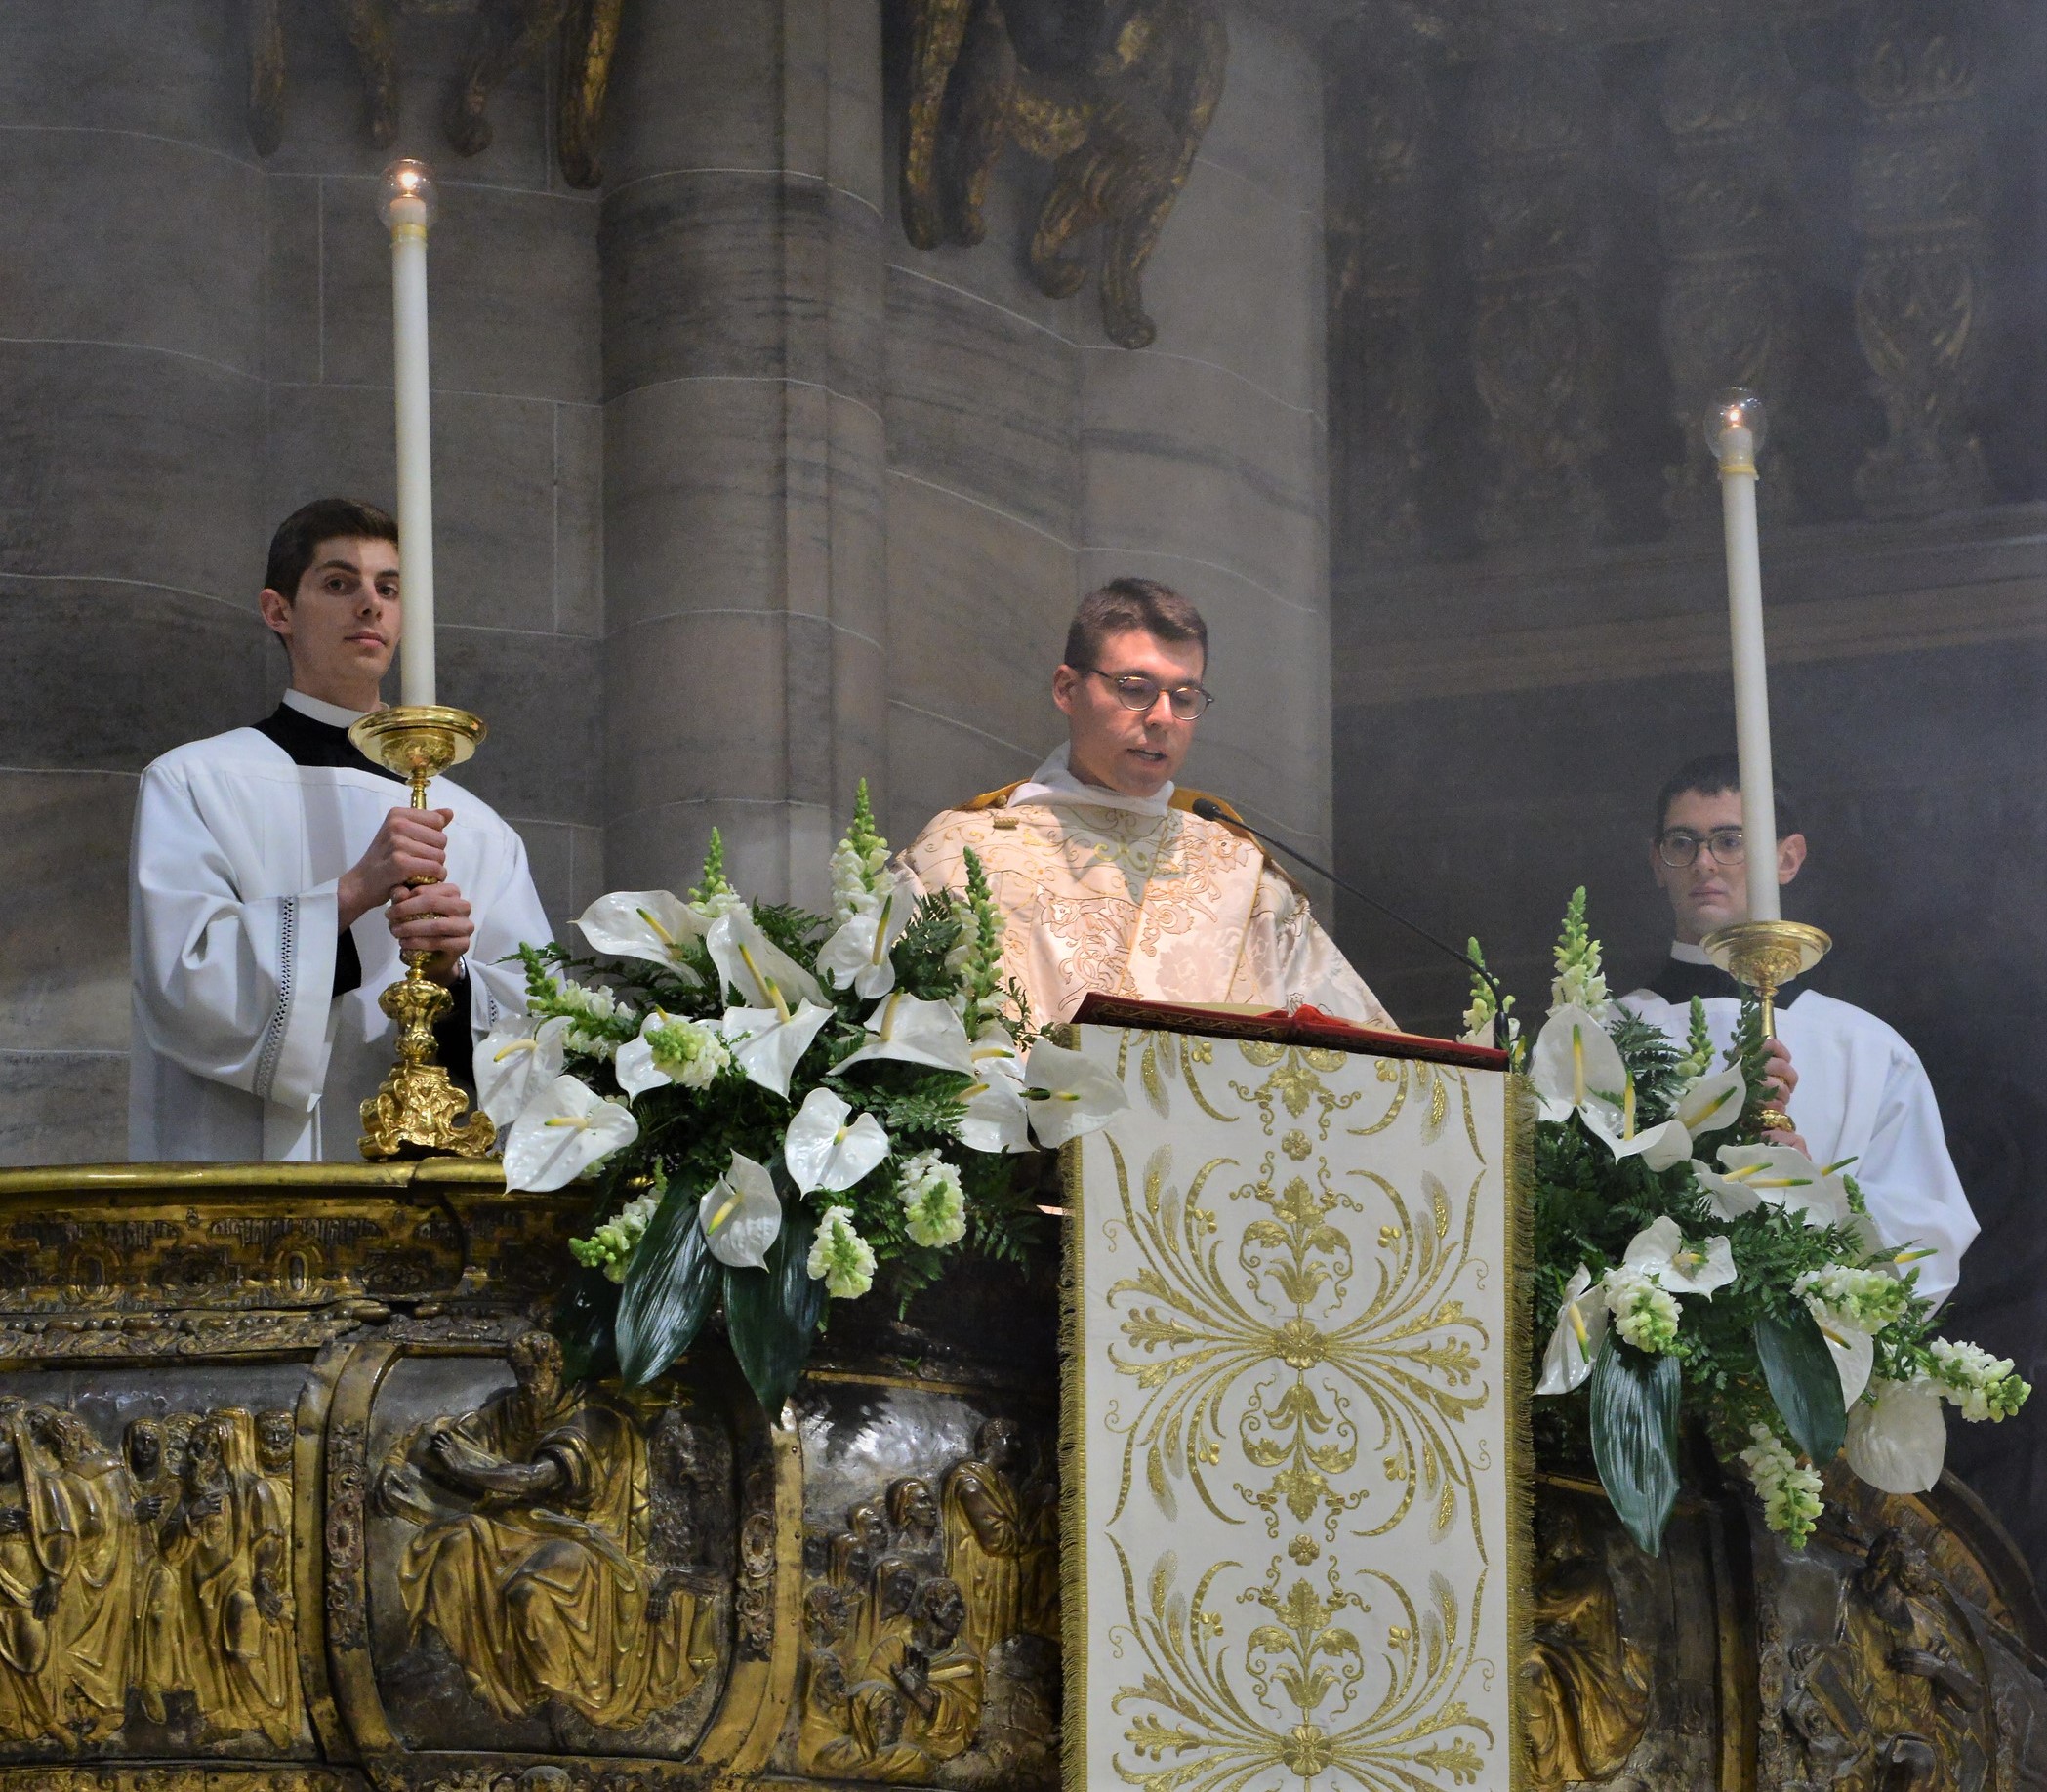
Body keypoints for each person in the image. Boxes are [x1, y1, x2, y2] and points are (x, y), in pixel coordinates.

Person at [129, 498, 551, 1161]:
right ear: (278, 611)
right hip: (248, 1179)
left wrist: (451, 978)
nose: (369, 605)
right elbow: (184, 989)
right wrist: (351, 894)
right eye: (338, 583)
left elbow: (545, 1032)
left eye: (388, 588)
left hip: (432, 1193)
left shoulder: (477, 826)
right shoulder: (197, 781)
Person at [896, 578, 1389, 1028]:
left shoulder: (1244, 877)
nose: (1162, 718)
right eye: (1136, 689)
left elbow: (1355, 1062)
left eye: (1185, 697)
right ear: (1067, 689)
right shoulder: (959, 854)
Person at [1617, 753, 1977, 1305]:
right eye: (1682, 843)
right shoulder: (1605, 1032)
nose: (1705, 864)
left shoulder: (1868, 1048)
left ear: (1788, 858)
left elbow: (1929, 1239)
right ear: (1657, 862)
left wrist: (1815, 1188)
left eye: (1730, 841)